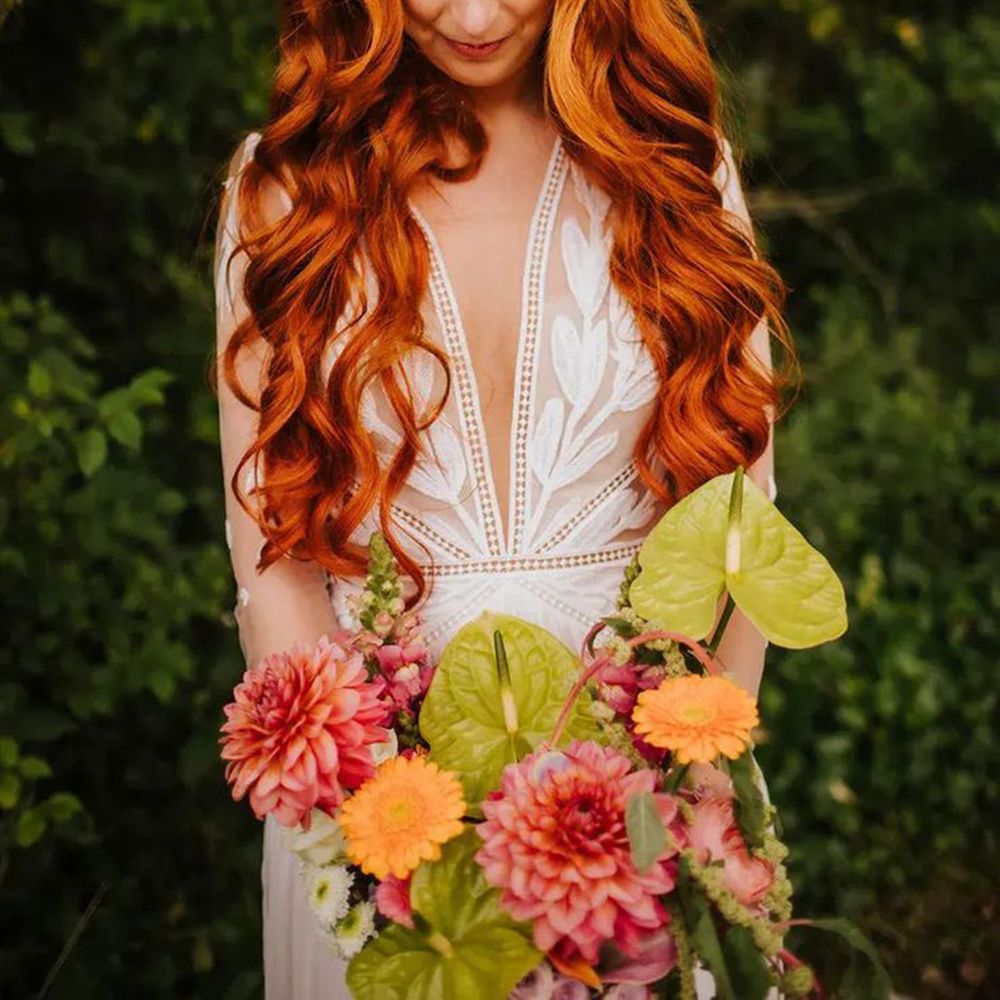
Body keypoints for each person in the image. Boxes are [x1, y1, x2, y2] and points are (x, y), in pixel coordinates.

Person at [212, 1, 794, 996]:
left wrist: (695, 787)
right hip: (374, 824)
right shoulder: (284, 190)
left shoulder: (679, 170)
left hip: (645, 814)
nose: (473, 15)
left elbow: (743, 517)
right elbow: (274, 548)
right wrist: (380, 844)